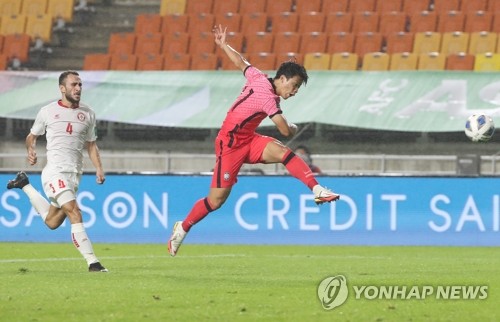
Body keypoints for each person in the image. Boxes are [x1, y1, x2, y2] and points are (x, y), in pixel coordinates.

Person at [167, 25, 340, 256]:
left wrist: (223, 45)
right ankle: (183, 227)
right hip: (228, 145)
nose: (295, 91)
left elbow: (241, 62)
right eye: (295, 85)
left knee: (284, 154)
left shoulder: (258, 76)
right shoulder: (269, 98)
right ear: (283, 78)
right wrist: (291, 125)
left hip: (248, 139)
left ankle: (317, 189)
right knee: (216, 201)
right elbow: (284, 130)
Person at [6, 70, 108, 272]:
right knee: (74, 211)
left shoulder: (88, 113)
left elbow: (91, 145)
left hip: (74, 175)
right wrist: (31, 149)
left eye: (80, 84)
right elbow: (31, 136)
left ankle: (24, 184)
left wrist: (99, 168)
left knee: (52, 222)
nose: (78, 88)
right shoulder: (48, 111)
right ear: (62, 88)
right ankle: (93, 263)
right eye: (73, 85)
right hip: (55, 172)